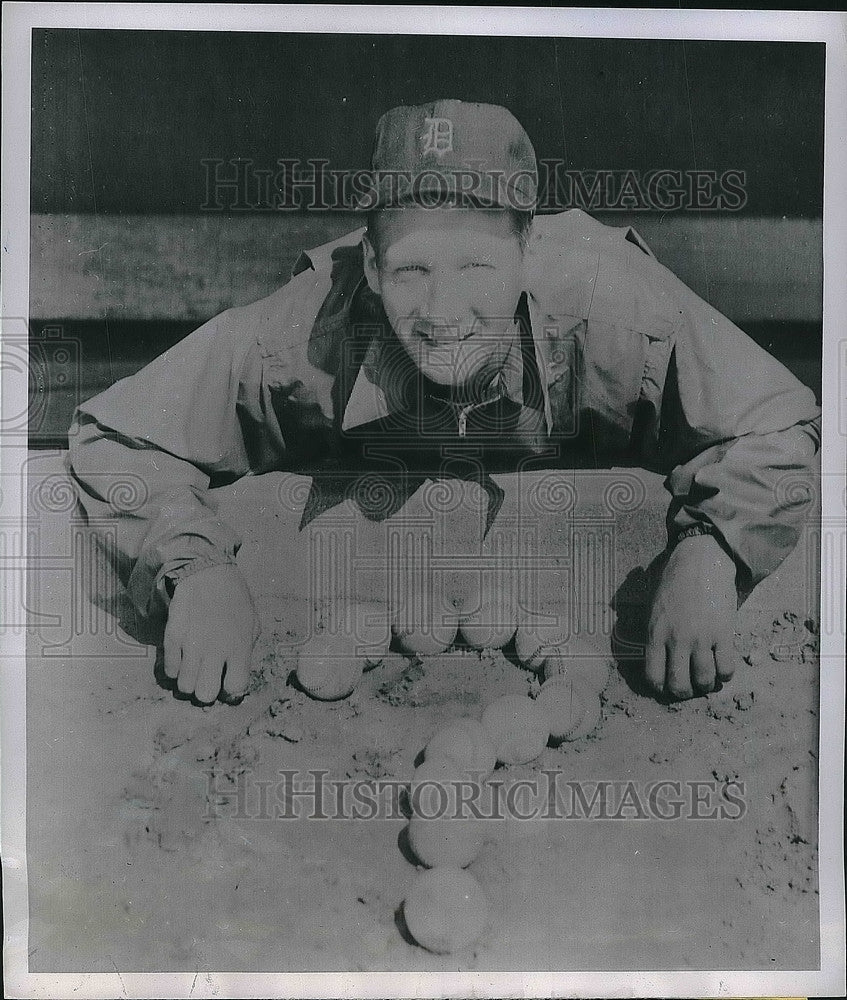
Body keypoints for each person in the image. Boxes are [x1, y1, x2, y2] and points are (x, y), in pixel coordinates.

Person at [65, 99, 821, 707]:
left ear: (527, 252)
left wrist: (710, 552)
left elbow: (780, 422)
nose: (442, 309)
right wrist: (192, 570)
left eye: (476, 265)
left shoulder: (619, 314)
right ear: (368, 262)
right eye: (411, 270)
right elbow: (114, 434)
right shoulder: (305, 333)